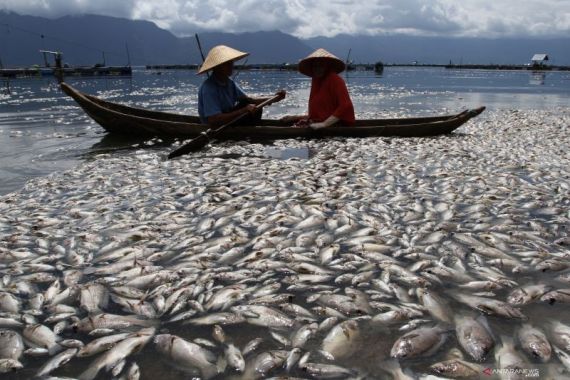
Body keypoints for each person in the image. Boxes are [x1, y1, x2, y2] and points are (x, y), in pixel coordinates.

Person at [197, 45, 286, 126]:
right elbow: (213, 120)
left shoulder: (229, 82)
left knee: (252, 104)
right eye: (227, 64)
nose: (231, 66)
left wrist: (275, 98)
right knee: (248, 106)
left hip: (228, 121)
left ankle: (251, 131)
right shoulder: (208, 88)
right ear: (217, 67)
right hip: (216, 125)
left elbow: (249, 100)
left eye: (231, 62)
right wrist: (243, 111)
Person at [283, 48, 355, 129]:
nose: (317, 69)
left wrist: (324, 124)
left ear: (327, 66)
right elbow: (317, 115)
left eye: (321, 66)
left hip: (338, 124)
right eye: (315, 66)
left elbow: (346, 106)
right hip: (320, 122)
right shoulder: (316, 80)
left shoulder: (335, 80)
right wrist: (294, 118)